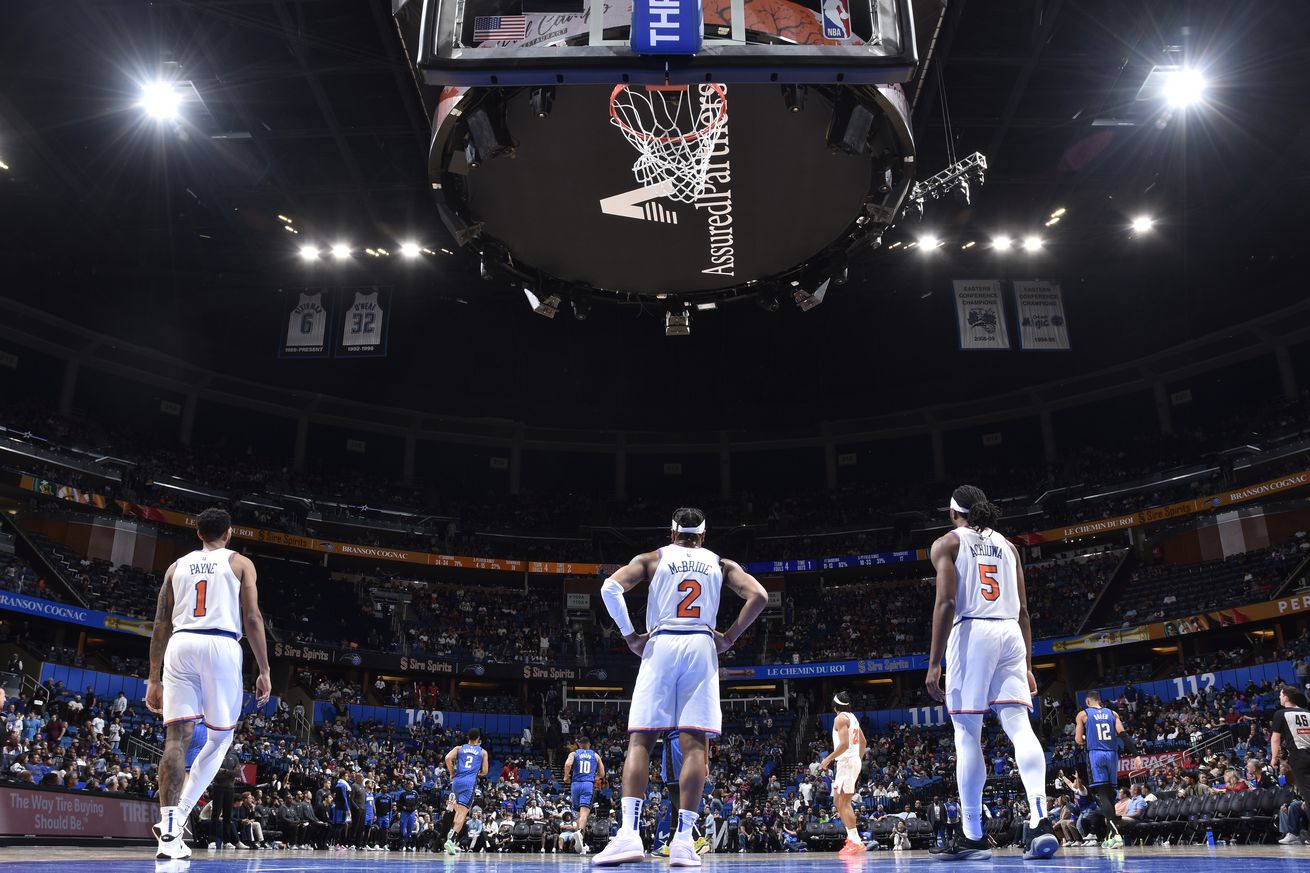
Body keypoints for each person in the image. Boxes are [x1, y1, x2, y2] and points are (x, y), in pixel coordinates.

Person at [591, 507, 768, 868]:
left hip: (662, 642)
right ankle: (685, 841)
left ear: (673, 533)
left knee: (642, 739)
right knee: (694, 746)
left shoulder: (653, 559)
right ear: (703, 536)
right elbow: (760, 596)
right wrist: (729, 637)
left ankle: (628, 835)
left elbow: (610, 587)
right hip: (701, 644)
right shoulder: (721, 564)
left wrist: (629, 637)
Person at [925, 486, 1058, 862]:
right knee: (1020, 726)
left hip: (974, 632)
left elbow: (947, 602)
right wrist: (1028, 665)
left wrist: (935, 663)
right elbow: (1025, 612)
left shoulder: (946, 544)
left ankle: (972, 836)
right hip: (1011, 634)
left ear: (954, 513)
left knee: (967, 733)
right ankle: (1040, 821)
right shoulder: (1009, 547)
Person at [146, 507, 271, 861]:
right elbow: (252, 616)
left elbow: (160, 625)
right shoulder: (240, 563)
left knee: (176, 738)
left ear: (198, 533)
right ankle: (181, 815)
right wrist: (263, 669)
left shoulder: (175, 567)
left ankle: (168, 830)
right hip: (220, 645)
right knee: (220, 739)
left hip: (180, 644)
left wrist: (153, 677)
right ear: (228, 533)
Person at [1075, 690, 1134, 848]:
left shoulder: (1083, 714)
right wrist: (1136, 755)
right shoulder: (1113, 713)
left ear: (1088, 702)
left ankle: (1116, 835)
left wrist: (1088, 737)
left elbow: (1078, 740)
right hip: (1112, 754)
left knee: (1101, 794)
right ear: (1099, 700)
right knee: (1109, 795)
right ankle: (1109, 836)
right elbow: (1122, 734)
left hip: (1096, 754)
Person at [818, 691, 866, 856]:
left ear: (834, 706)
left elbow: (844, 745)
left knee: (843, 803)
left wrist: (827, 759)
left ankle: (856, 841)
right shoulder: (852, 717)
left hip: (846, 763)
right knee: (839, 802)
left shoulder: (840, 719)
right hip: (851, 762)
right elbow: (863, 742)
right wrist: (857, 761)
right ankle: (853, 839)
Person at [1271, 685, 1310, 845]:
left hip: (1299, 756)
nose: (1279, 698)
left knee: (1308, 796)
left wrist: (1274, 757)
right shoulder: (1307, 712)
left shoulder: (1281, 714)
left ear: (1286, 696)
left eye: (1280, 695)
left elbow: (1275, 739)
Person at [443, 728, 488, 854]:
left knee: (459, 811)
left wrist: (452, 772)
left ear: (468, 737)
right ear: (478, 738)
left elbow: (447, 758)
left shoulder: (459, 748)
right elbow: (485, 771)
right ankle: (451, 839)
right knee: (463, 813)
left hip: (457, 782)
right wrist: (475, 773)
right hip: (469, 783)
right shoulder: (482, 752)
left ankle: (452, 838)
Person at [565, 735, 606, 854]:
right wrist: (594, 776)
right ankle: (580, 834)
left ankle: (579, 839)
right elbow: (602, 774)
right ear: (589, 745)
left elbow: (568, 764)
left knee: (578, 814)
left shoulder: (574, 753)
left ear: (578, 744)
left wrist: (566, 776)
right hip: (588, 784)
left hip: (575, 784)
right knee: (584, 814)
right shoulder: (595, 755)